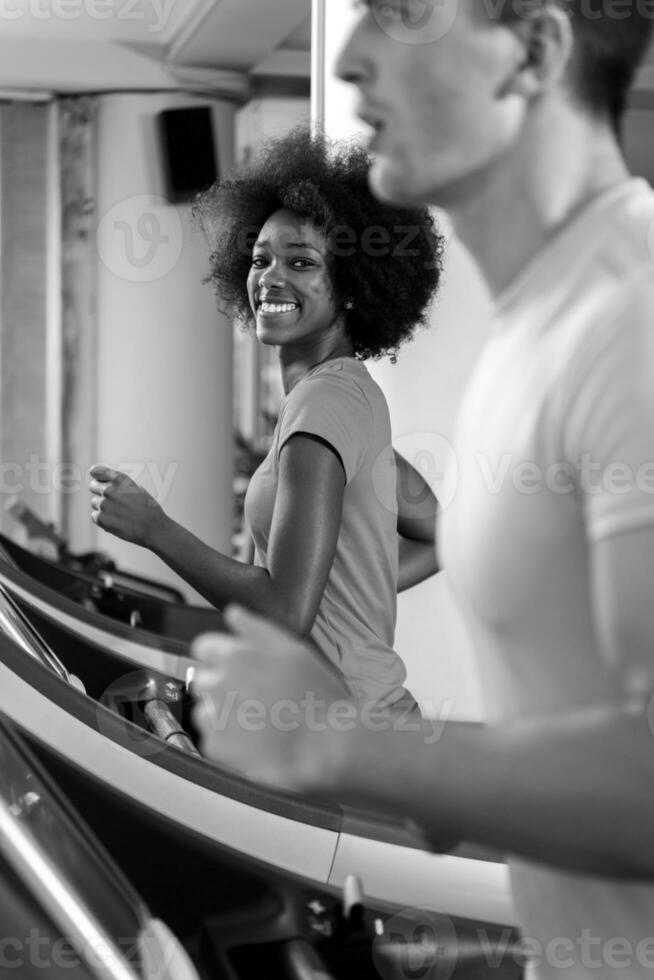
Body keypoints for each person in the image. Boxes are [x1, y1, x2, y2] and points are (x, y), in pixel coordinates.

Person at [191, 3, 654, 978]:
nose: (352, 59)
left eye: (401, 18)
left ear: (534, 50)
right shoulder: (534, 334)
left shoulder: (632, 320)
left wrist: (347, 743)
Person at [88, 129, 442, 710]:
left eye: (302, 262)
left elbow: (283, 612)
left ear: (352, 287)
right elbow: (439, 536)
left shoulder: (322, 406)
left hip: (342, 737)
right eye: (261, 259)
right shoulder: (349, 395)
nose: (271, 278)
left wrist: (154, 528)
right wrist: (349, 600)